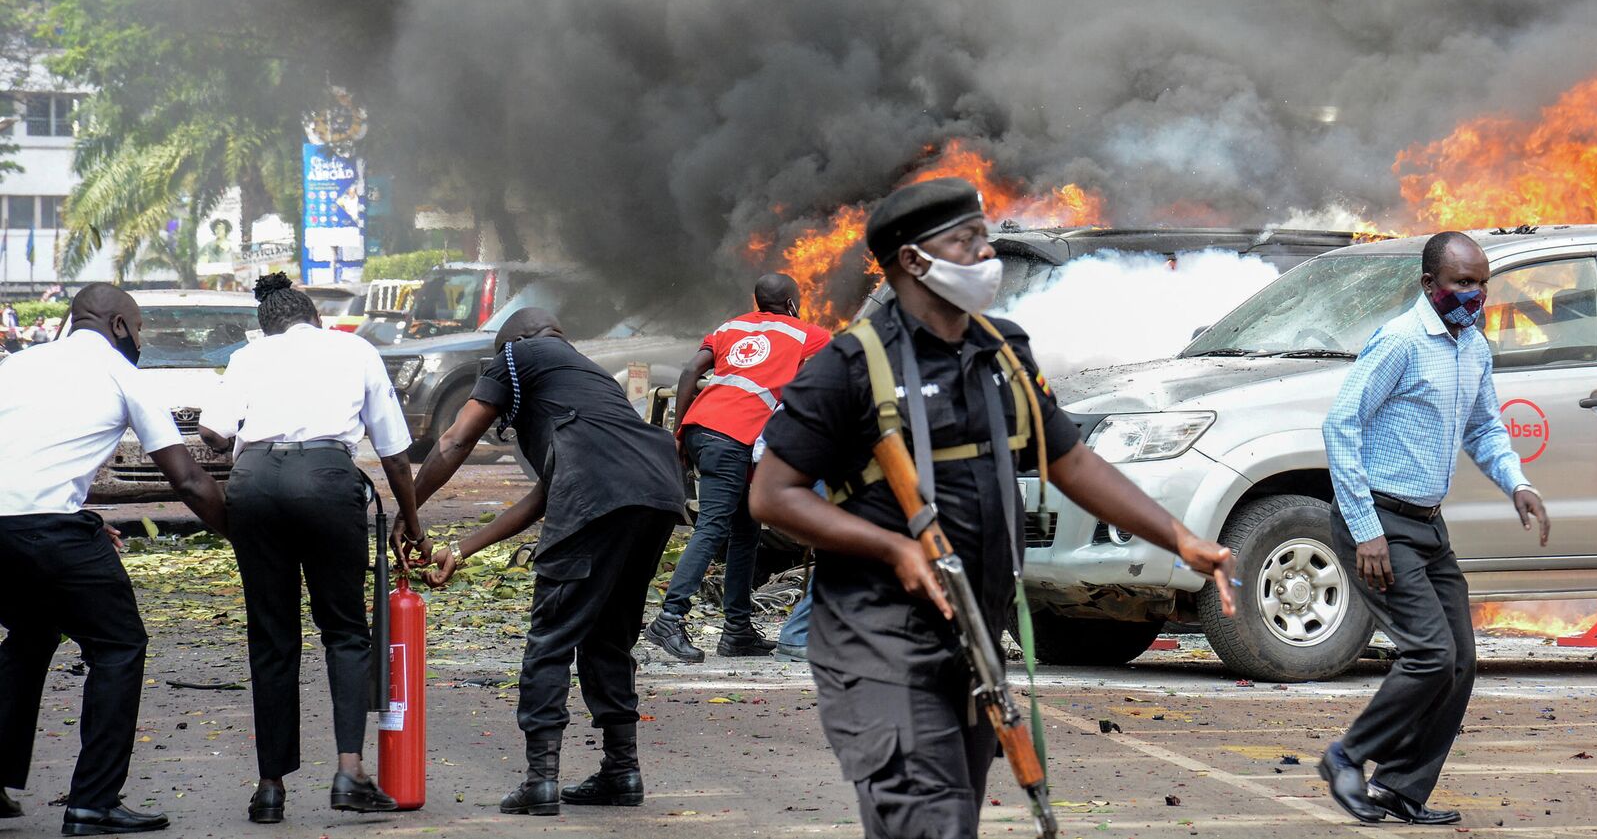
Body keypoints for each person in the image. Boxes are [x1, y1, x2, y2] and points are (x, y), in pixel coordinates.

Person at [750, 177, 1239, 838]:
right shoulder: (849, 365)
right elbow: (771, 494)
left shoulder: (1003, 350)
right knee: (932, 817)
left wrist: (1180, 537)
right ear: (914, 260)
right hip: (878, 637)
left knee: (942, 817)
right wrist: (892, 546)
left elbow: (1071, 461)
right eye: (966, 240)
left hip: (975, 632)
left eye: (984, 237)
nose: (986, 254)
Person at [411, 307, 686, 816]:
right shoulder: (587, 376)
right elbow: (542, 496)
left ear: (511, 343)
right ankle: (622, 773)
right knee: (607, 635)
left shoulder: (518, 353)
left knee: (552, 637)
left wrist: (408, 511)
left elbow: (454, 439)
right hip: (655, 492)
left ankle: (541, 779)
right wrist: (461, 550)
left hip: (601, 494)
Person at [1318, 231, 1551, 826]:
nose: (1474, 297)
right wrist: (1366, 528)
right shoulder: (1399, 342)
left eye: (1481, 285)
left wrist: (1518, 484)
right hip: (1381, 523)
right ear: (1430, 285)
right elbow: (1341, 426)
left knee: (1460, 661)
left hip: (1427, 524)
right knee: (1429, 655)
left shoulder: (1472, 347)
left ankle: (1401, 788)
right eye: (1462, 284)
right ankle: (1347, 757)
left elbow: (1485, 429)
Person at [195, 273, 426, 824]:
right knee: (344, 629)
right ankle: (350, 770)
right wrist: (412, 525)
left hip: (253, 484)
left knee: (272, 636)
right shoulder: (354, 348)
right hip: (325, 479)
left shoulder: (250, 357)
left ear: (266, 325)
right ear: (315, 319)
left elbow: (211, 432)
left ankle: (270, 787)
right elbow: (394, 453)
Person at [0, 284, 229, 836]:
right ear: (120, 326)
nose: (142, 340)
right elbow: (189, 480)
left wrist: (77, 513)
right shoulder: (123, 374)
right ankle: (92, 804)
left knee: (31, 637)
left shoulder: (17, 364)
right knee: (119, 646)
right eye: (141, 328)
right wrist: (245, 538)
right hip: (50, 532)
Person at [646, 273, 830, 663]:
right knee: (713, 526)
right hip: (733, 437)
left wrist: (680, 431)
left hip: (704, 428)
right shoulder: (805, 333)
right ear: (794, 302)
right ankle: (669, 618)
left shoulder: (731, 326)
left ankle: (737, 631)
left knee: (746, 531)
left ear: (757, 300)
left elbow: (688, 373)